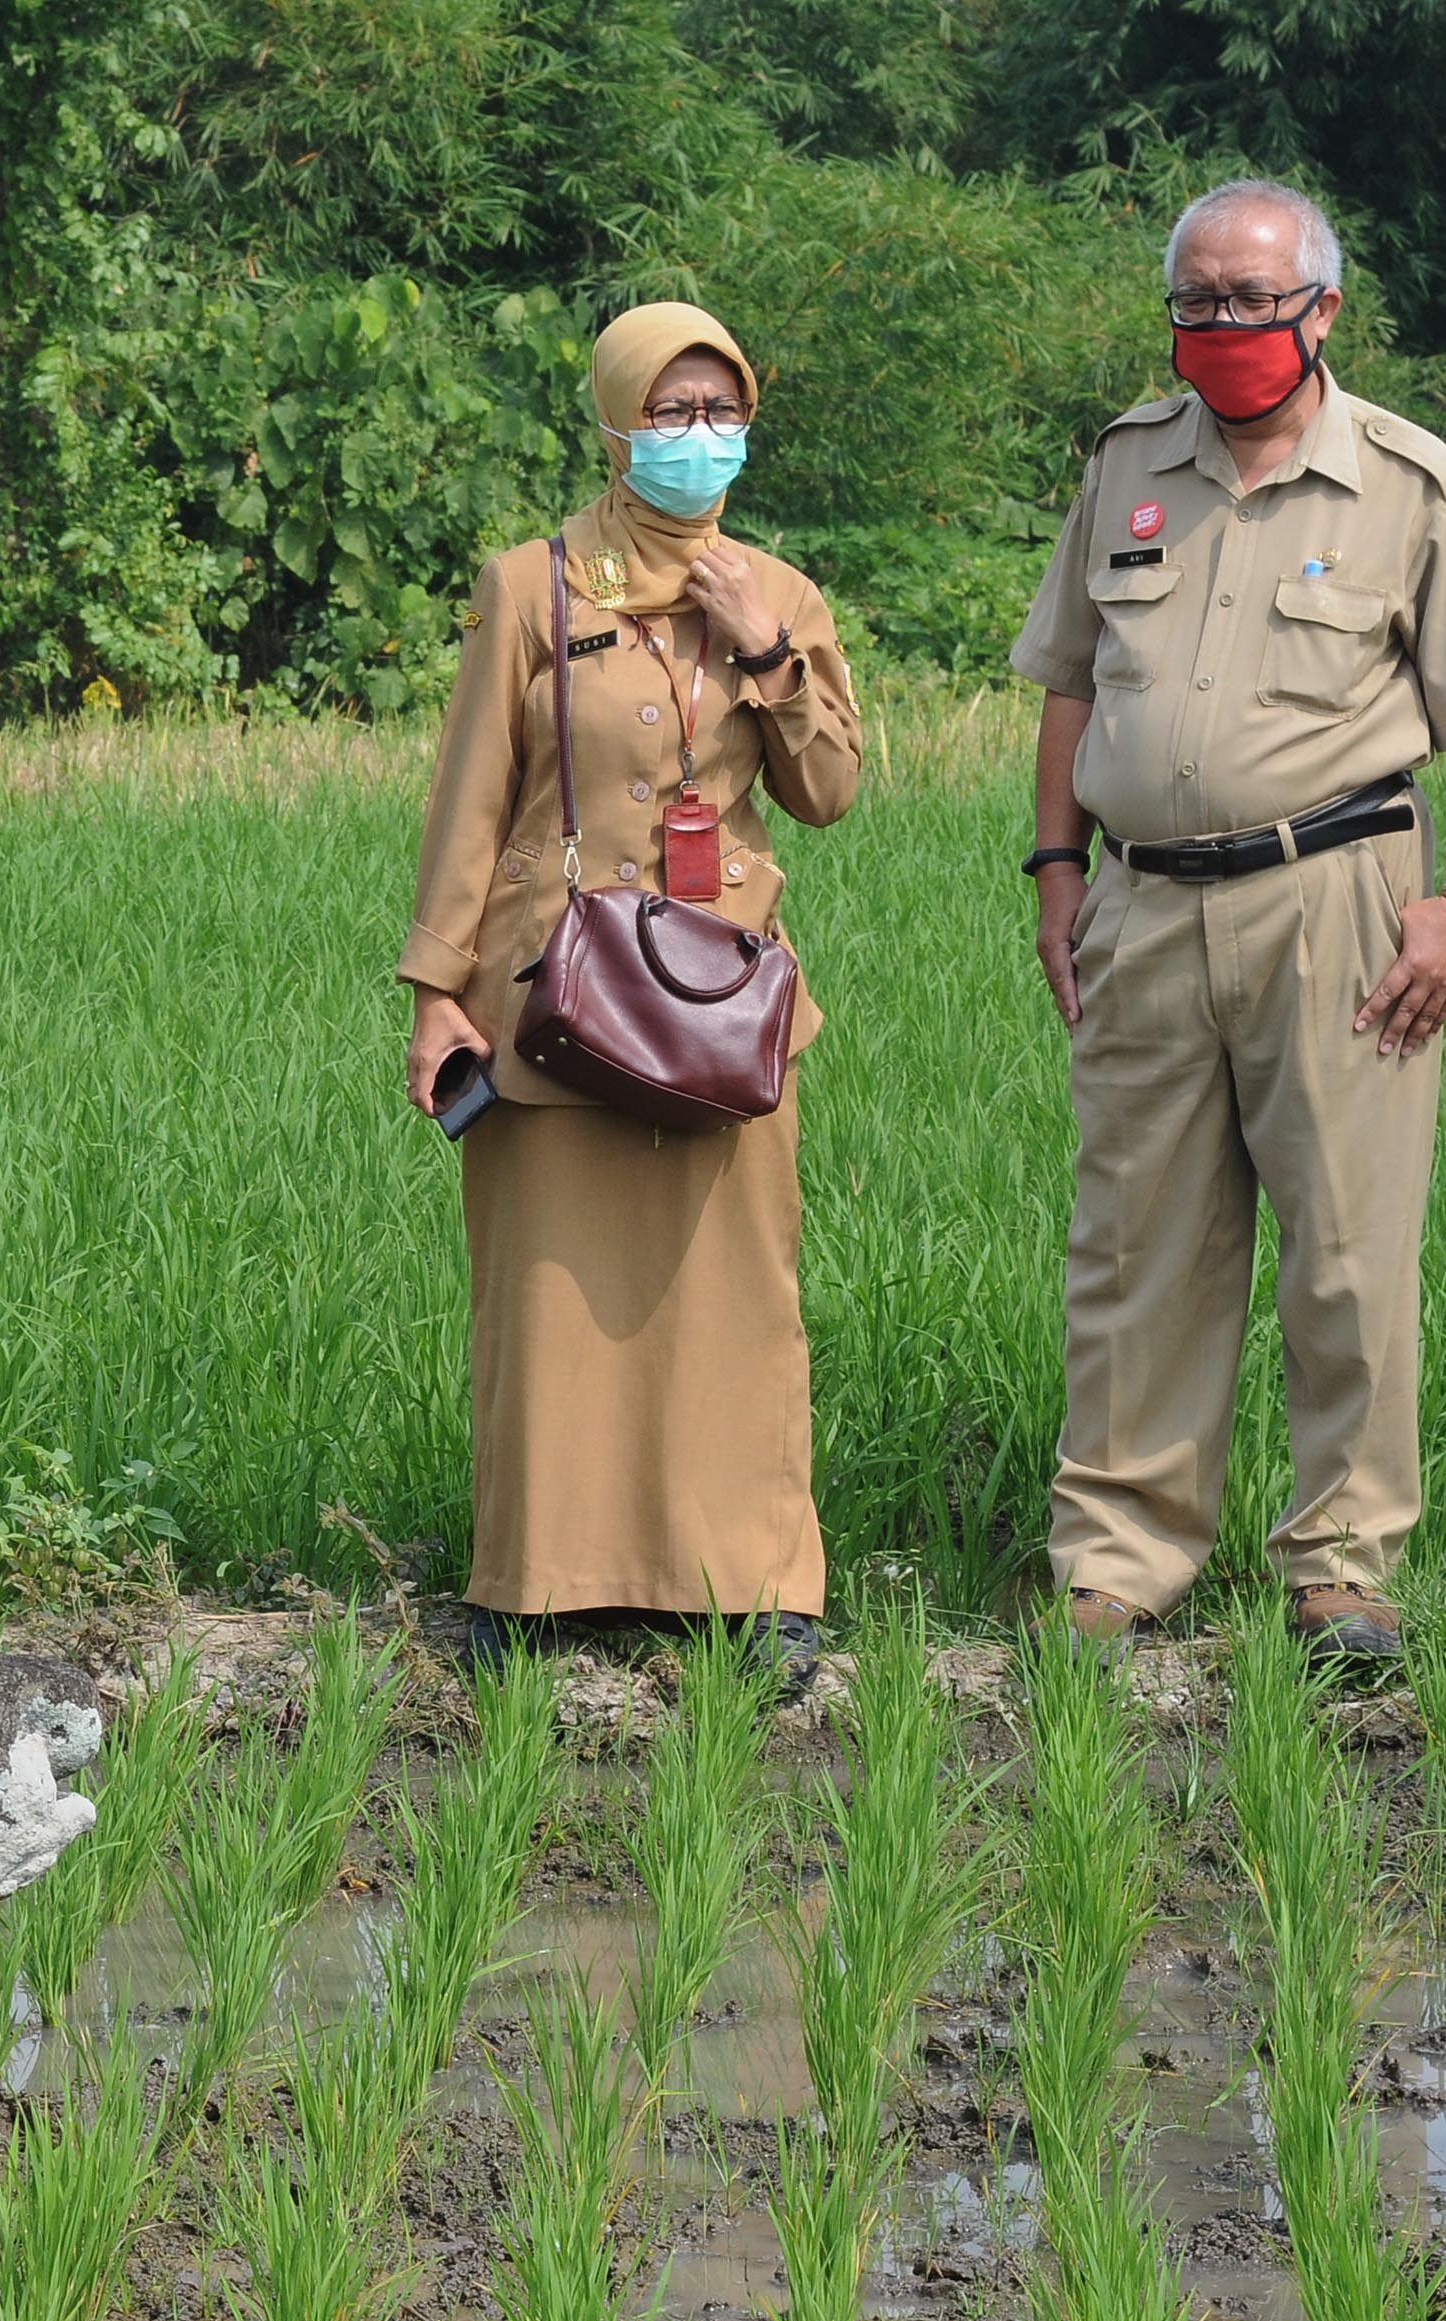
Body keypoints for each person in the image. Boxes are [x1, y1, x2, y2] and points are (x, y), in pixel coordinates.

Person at [1011, 179, 1446, 1667]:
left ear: (1323, 308)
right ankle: (1117, 1561)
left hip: (1343, 904)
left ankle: (1344, 1570)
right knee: (1135, 1245)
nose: (1226, 326)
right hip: (1147, 903)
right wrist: (1058, 868)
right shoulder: (1126, 468)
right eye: (1200, 300)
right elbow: (1070, 680)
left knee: (1349, 1248)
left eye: (1255, 300)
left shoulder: (1411, 483)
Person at [402, 301, 862, 1693]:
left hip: (722, 1002)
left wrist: (769, 652)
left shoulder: (781, 589)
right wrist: (436, 992)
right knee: (551, 1297)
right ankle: (536, 1585)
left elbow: (828, 791)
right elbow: (470, 800)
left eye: (722, 410)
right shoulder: (532, 586)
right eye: (669, 411)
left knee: (736, 1294)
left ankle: (753, 1587)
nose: (699, 438)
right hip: (554, 995)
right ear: (612, 419)